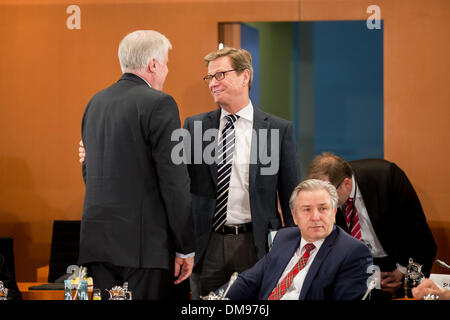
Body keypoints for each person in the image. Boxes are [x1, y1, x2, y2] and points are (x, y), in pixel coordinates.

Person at [78, 30, 195, 300]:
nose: (166, 69)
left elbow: (90, 173)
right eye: (166, 62)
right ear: (153, 64)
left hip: (98, 244)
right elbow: (174, 181)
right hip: (144, 248)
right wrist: (185, 246)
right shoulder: (161, 103)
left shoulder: (94, 103)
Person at [183, 47, 300, 298]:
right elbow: (180, 186)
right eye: (210, 78)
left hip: (255, 244)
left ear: (245, 76)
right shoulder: (194, 127)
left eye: (220, 75)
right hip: (207, 243)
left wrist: (292, 250)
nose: (213, 83)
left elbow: (292, 197)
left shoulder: (279, 130)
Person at [307, 152, 437, 299]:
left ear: (347, 183)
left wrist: (402, 271)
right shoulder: (328, 200)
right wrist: (369, 276)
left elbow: (418, 232)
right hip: (363, 268)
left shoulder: (387, 176)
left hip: (403, 261)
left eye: (327, 195)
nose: (323, 202)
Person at [221, 179, 373, 300]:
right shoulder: (284, 238)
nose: (315, 217)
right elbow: (249, 281)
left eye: (323, 208)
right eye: (307, 209)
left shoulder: (353, 252)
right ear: (294, 216)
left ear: (333, 213)